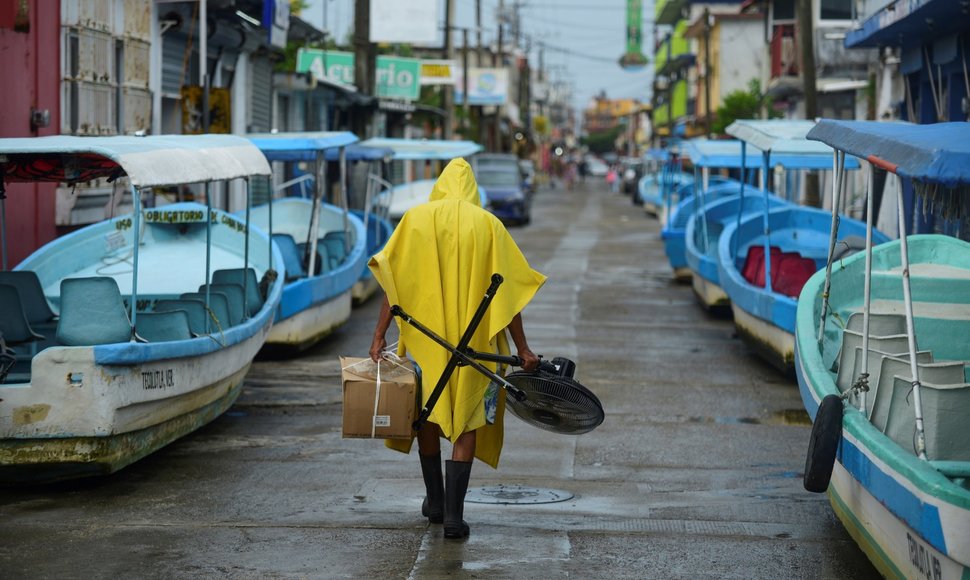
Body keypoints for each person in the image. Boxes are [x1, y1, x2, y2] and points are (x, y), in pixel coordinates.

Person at [369, 157, 546, 540]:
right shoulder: (489, 225)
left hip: (426, 343)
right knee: (466, 421)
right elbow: (509, 295)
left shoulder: (415, 220)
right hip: (476, 347)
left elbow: (392, 284)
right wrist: (524, 349)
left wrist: (379, 335)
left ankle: (434, 502)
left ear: (440, 185)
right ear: (471, 189)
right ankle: (452, 517)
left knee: (428, 415)